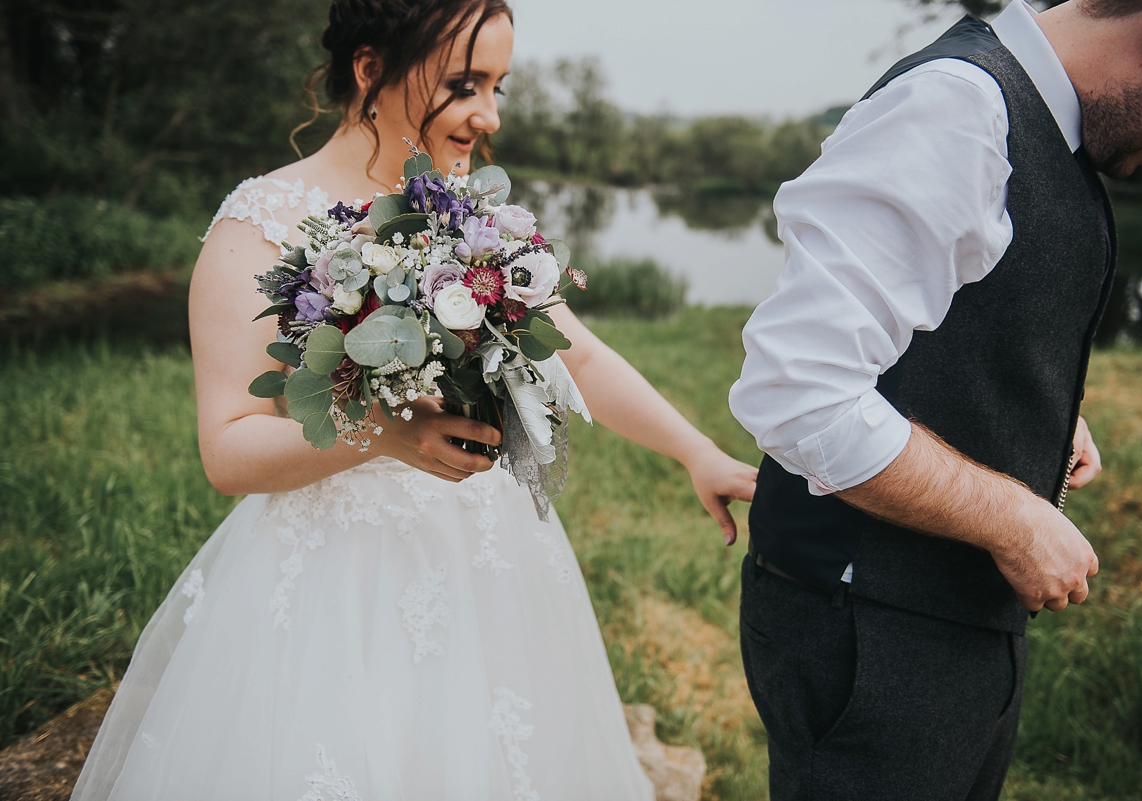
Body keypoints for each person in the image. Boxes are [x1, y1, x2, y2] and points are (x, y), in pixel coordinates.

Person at [71, 1, 757, 798]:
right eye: (465, 84)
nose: (488, 114)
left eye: (499, 85)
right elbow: (227, 449)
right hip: (333, 573)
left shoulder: (472, 214)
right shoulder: (257, 225)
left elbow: (582, 353)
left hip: (489, 552)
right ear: (370, 69)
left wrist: (694, 449)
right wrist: (384, 432)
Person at [729, 0, 1142, 799]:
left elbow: (942, 318)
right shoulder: (956, 108)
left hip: (940, 628)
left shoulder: (1038, 119)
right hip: (873, 636)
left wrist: (1027, 401)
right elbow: (801, 393)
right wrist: (1016, 519)